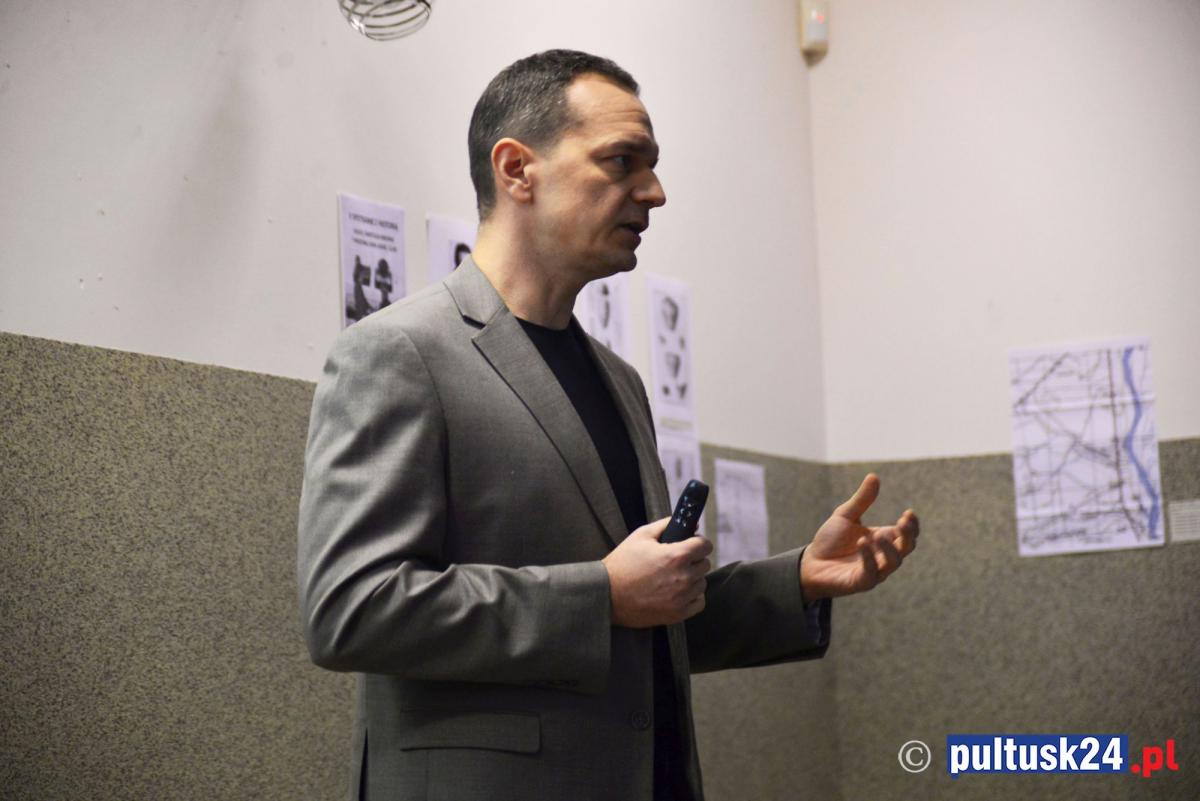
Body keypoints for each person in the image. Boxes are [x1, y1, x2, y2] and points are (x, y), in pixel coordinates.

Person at [297, 49, 919, 801]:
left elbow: (642, 613)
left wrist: (794, 582)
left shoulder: (618, 380)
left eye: (652, 167)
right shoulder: (399, 353)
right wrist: (601, 595)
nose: (654, 192)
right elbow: (351, 608)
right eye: (623, 161)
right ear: (517, 170)